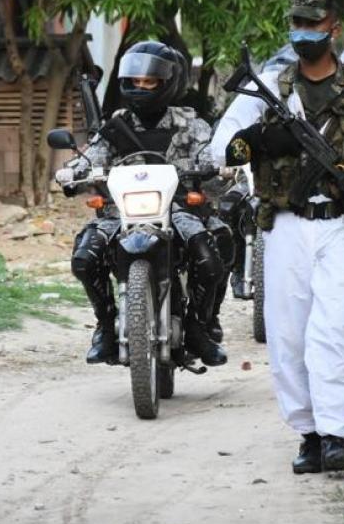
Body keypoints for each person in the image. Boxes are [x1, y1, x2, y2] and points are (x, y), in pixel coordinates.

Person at [212, 0, 344, 473]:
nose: (302, 33)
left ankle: (336, 435)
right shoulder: (269, 87)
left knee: (338, 325)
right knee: (289, 335)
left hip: (342, 225)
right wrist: (258, 139)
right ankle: (307, 433)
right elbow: (221, 150)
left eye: (312, 24)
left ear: (334, 29)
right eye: (296, 23)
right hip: (283, 226)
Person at [55, 41, 230, 368]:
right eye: (135, 82)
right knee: (85, 257)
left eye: (149, 82)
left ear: (167, 83)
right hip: (119, 211)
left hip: (176, 209)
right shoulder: (115, 124)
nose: (141, 88)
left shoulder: (189, 123)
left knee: (208, 258)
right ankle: (106, 327)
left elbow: (209, 155)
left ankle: (196, 328)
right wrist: (71, 171)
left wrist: (214, 167)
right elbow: (92, 156)